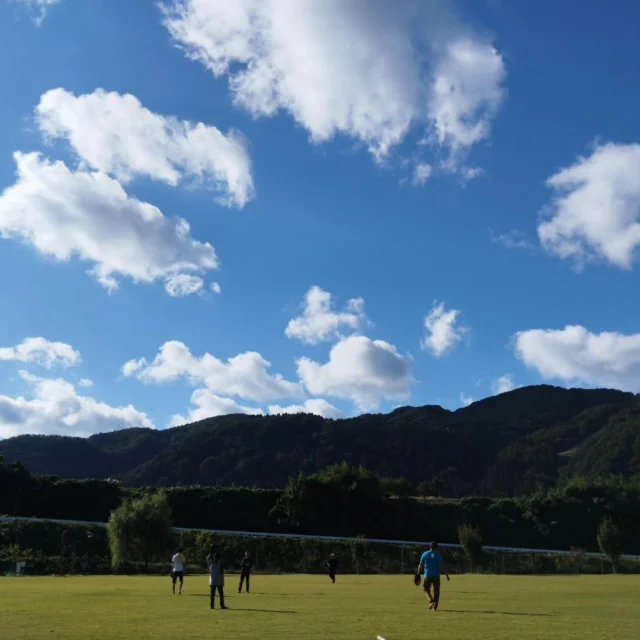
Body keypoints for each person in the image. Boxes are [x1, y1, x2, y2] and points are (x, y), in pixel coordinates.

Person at [418, 541, 450, 610]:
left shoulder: (425, 554)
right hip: (436, 576)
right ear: (436, 548)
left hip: (427, 575)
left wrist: (418, 573)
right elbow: (442, 566)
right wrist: (447, 575)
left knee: (426, 589)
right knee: (436, 592)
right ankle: (435, 607)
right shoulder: (438, 555)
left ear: (430, 546)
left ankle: (431, 601)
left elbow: (421, 564)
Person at [206, 545, 227, 610]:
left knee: (212, 594)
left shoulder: (210, 563)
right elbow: (221, 573)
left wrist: (211, 553)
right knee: (221, 593)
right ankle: (222, 605)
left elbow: (207, 559)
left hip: (212, 580)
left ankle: (212, 605)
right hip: (218, 580)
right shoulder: (220, 563)